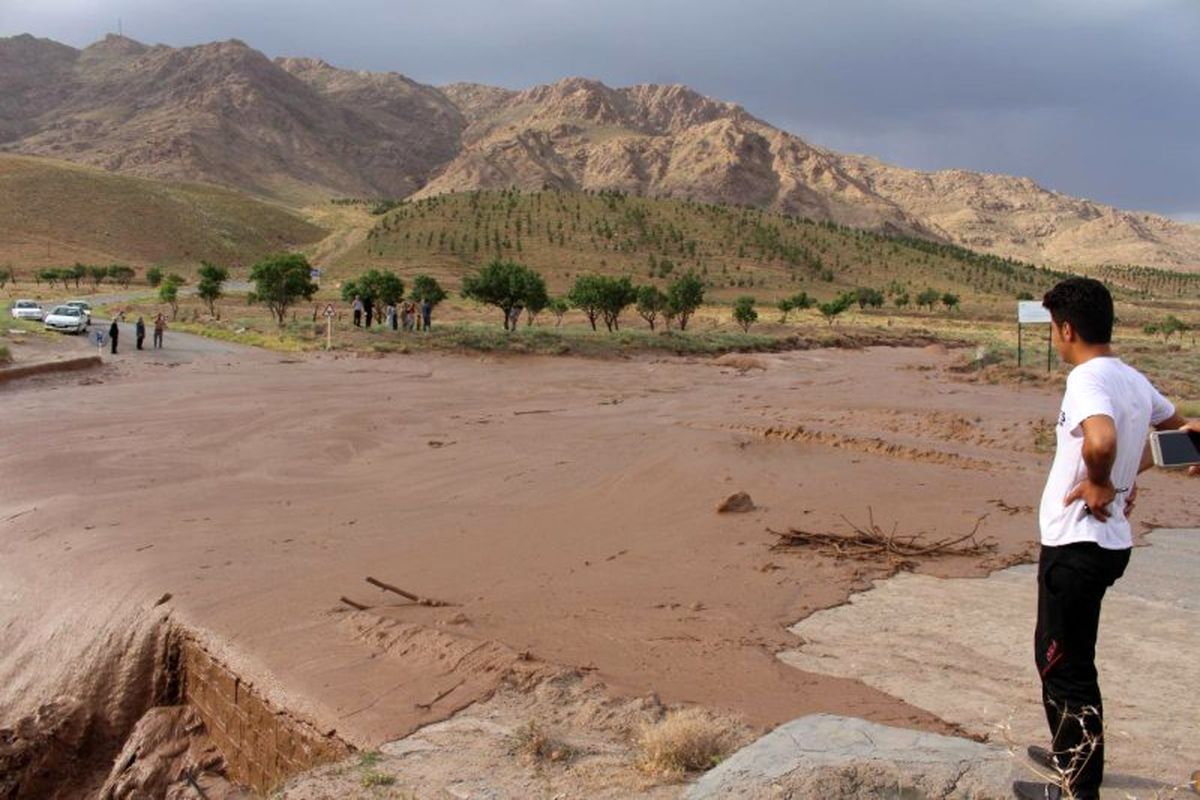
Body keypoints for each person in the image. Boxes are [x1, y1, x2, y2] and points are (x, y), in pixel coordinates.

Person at [1014, 278, 1195, 800]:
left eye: (1053, 329)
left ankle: (1078, 788)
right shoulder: (1132, 379)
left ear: (1066, 329)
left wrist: (1101, 478)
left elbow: (1102, 439)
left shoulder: (1087, 379)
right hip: (1106, 544)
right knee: (1070, 656)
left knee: (1061, 665)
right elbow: (1179, 430)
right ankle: (1069, 751)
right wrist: (1127, 478)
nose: (1054, 338)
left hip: (1076, 546)